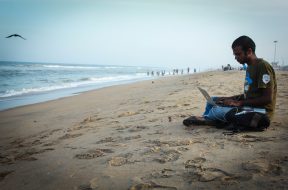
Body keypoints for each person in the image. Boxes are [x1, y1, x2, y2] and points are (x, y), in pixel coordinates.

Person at [183, 35, 277, 131]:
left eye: (238, 54)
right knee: (212, 100)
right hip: (248, 105)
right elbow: (249, 94)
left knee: (217, 110)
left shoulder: (263, 66)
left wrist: (239, 103)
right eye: (235, 55)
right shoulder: (249, 67)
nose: (236, 58)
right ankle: (207, 118)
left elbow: (267, 98)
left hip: (261, 112)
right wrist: (230, 98)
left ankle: (210, 119)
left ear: (249, 51)